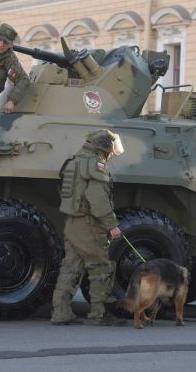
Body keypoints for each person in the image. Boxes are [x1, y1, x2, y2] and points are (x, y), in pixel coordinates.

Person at [51, 129, 126, 326]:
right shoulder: (95, 164)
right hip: (88, 223)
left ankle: (61, 312)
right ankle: (100, 313)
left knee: (71, 267)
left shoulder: (74, 161)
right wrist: (112, 225)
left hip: (72, 222)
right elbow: (97, 197)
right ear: (104, 147)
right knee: (100, 266)